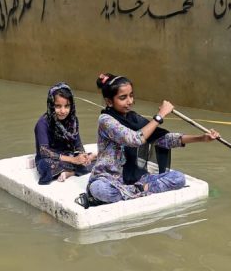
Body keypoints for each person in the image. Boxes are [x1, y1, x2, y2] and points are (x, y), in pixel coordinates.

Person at [87, 73, 220, 203]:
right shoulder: (105, 120)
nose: (130, 101)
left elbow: (164, 139)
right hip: (108, 179)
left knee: (178, 178)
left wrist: (202, 138)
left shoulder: (134, 118)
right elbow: (134, 139)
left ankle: (135, 190)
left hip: (138, 179)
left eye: (131, 96)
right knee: (99, 189)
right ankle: (140, 190)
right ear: (109, 101)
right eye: (123, 98)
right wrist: (159, 116)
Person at [34, 82, 96, 184]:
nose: (63, 111)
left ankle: (69, 172)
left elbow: (78, 143)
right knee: (46, 167)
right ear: (51, 105)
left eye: (67, 106)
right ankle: (73, 169)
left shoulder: (73, 121)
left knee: (100, 162)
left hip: (68, 154)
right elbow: (44, 152)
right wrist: (74, 160)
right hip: (50, 158)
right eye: (58, 106)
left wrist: (82, 155)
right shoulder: (42, 123)